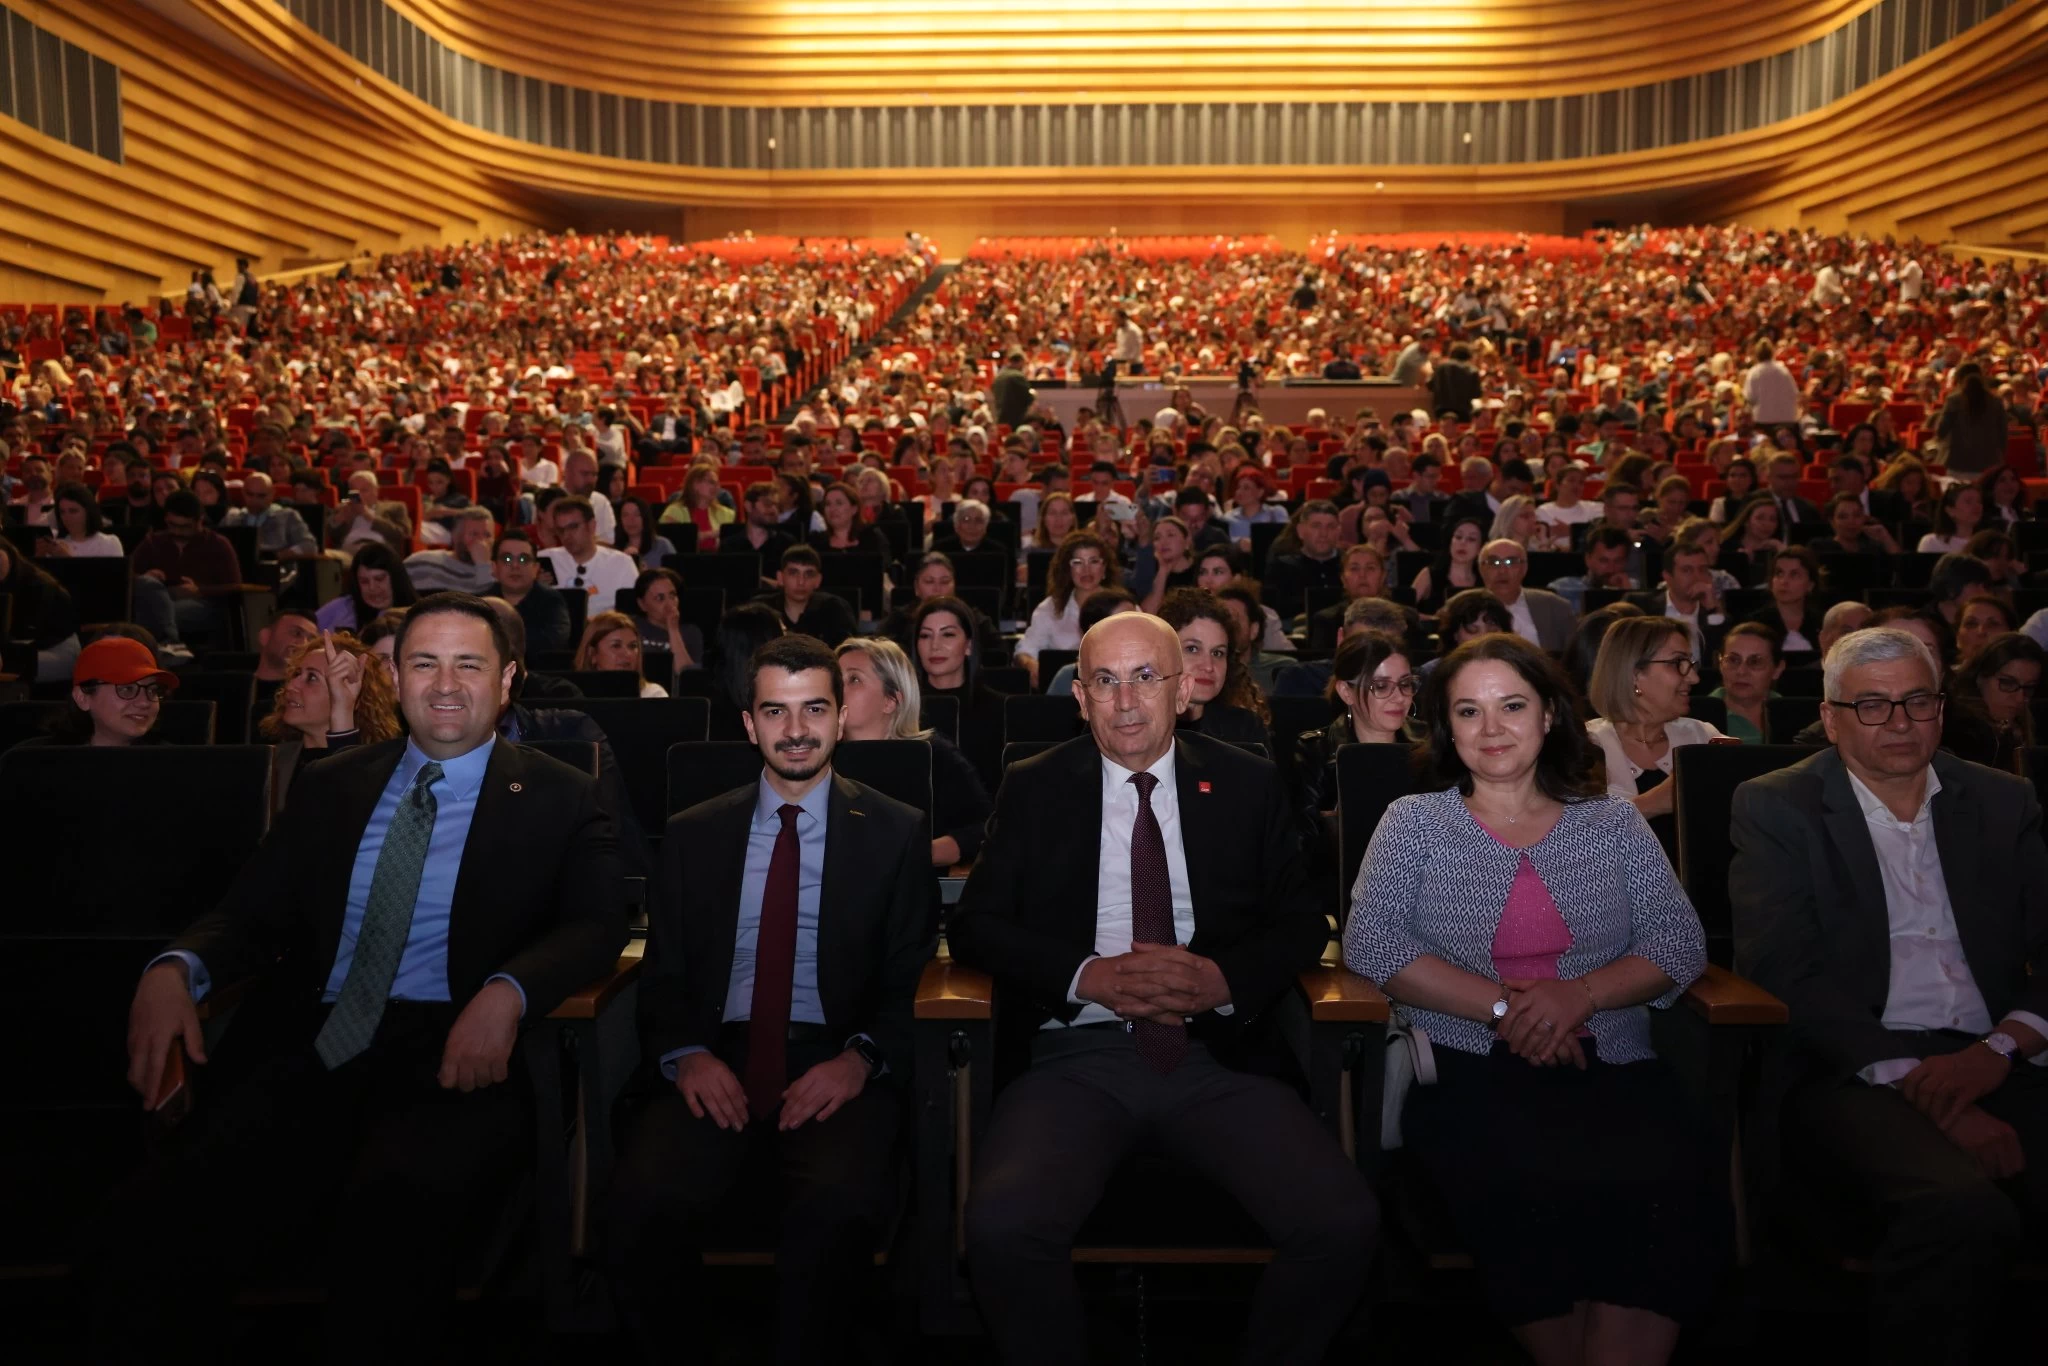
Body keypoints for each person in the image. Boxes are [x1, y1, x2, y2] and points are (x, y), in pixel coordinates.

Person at [96, 593, 629, 1360]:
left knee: (390, 1221)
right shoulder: (334, 783)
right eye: (423, 663)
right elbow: (250, 912)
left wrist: (508, 992)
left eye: (468, 664)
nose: (445, 683)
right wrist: (177, 969)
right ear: (397, 676)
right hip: (307, 1044)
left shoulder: (562, 793)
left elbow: (597, 924)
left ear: (507, 679)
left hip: (453, 1056)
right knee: (151, 1220)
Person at [951, 612, 1379, 1365]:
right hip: (1072, 1057)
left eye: (1146, 678)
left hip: (1214, 1056)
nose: (1125, 702)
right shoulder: (1035, 786)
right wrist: (1090, 977)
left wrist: (1221, 980)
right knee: (1002, 1229)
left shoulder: (1246, 781)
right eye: (1105, 682)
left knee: (1342, 1225)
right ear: (1079, 697)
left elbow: (1300, 918)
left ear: (1183, 691)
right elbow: (977, 924)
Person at [1346, 630, 1715, 1362]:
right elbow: (1374, 945)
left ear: (1550, 716)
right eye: (1468, 712)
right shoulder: (1414, 823)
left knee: (1662, 1186)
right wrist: (1504, 1009)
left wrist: (1578, 996)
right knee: (1521, 1181)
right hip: (1464, 1067)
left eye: (1512, 706)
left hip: (1614, 1064)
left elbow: (1679, 945)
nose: (1492, 729)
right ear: (1446, 729)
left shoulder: (1611, 820)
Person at [605, 634, 936, 1364]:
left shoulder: (895, 832)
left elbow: (908, 975)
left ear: (841, 715)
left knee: (836, 1210)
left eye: (814, 708)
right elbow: (662, 976)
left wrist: (861, 1062)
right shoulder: (693, 835)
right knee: (638, 1205)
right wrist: (685, 1057)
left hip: (836, 1058)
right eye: (775, 712)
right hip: (715, 1055)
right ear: (749, 724)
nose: (796, 731)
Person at [1729, 626, 2048, 1366]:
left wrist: (2000, 1048)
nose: (1900, 723)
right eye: (1872, 706)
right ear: (1833, 717)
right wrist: (1931, 1088)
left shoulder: (2002, 802)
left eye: (1916, 701)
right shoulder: (1779, 807)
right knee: (1958, 1209)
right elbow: (1786, 971)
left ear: (1942, 707)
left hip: (1999, 1055)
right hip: (1856, 1067)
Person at [836, 637, 991, 867]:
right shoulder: (818, 755)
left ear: (891, 700)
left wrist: (921, 854)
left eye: (854, 679)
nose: (838, 689)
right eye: (835, 680)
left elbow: (986, 827)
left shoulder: (934, 756)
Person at [1584, 615, 1728, 861]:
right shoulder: (1586, 747)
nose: (1694, 678)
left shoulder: (1704, 737)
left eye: (1690, 663)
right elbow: (1568, 841)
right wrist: (1652, 803)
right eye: (1677, 663)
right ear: (1634, 673)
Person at [258, 629, 402, 813]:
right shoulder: (273, 761)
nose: (292, 685)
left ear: (353, 697)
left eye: (311, 678)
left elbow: (350, 815)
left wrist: (342, 709)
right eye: (296, 674)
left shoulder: (379, 768)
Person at [913, 594, 1007, 793]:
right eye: (925, 635)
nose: (935, 645)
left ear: (969, 646)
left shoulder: (1000, 709)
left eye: (947, 634)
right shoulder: (903, 708)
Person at [132, 489, 244, 647]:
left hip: (203, 603)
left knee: (158, 614)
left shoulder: (217, 544)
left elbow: (234, 586)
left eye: (185, 527)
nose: (177, 531)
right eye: (172, 525)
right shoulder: (153, 542)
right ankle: (168, 645)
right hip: (160, 598)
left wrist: (199, 590)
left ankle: (164, 645)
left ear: (200, 520)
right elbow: (127, 576)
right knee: (148, 587)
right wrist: (146, 576)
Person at [1159, 588, 1269, 745]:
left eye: (1217, 653)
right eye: (1192, 649)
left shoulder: (1245, 729)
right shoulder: (1137, 729)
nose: (1208, 666)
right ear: (1163, 653)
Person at [27, 635, 178, 747]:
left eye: (152, 690)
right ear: (82, 698)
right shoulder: (37, 762)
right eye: (127, 689)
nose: (145, 702)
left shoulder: (175, 765)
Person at [1016, 529, 1116, 688]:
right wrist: (1030, 664)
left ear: (1104, 568)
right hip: (1063, 693)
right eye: (1078, 562)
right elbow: (1026, 650)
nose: (1086, 570)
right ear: (1067, 570)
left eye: (1094, 561)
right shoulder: (1050, 607)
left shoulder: (1123, 607)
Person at [1948, 632, 2044, 771]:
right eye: (2008, 683)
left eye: (2029, 688)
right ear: (1980, 677)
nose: (2020, 698)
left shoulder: (2028, 724)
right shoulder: (1959, 729)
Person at [1626, 541, 1727, 659]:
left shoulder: (1715, 610)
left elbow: (1719, 657)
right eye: (1687, 570)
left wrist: (1713, 610)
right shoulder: (1640, 606)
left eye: (1702, 570)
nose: (1697, 577)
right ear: (1667, 577)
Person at [543, 494, 640, 614]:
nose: (566, 536)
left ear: (592, 526)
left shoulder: (622, 564)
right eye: (561, 530)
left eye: (573, 527)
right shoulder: (545, 559)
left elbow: (633, 615)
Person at [1477, 537, 1577, 651]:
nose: (1502, 571)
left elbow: (1574, 659)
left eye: (1511, 562)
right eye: (1494, 562)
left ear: (1524, 568)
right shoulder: (1462, 608)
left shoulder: (1555, 607)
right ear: (1481, 568)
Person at [487, 529, 570, 657]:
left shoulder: (551, 601)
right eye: (507, 559)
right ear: (494, 567)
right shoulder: (483, 601)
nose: (515, 565)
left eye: (523, 559)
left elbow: (555, 641)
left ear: (535, 568)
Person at [1260, 499, 1345, 620]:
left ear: (1338, 531)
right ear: (1300, 531)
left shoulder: (1351, 565)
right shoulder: (1281, 568)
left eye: (1331, 527)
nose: (1324, 533)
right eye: (1316, 526)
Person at [756, 544, 855, 648]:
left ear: (818, 580)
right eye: (793, 573)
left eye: (809, 574)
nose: (801, 582)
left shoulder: (835, 609)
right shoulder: (762, 609)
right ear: (780, 577)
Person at [316, 541, 418, 633]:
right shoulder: (344, 605)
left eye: (379, 579)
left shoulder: (417, 615)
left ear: (396, 578)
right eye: (364, 581)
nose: (372, 587)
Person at [1710, 622, 1786, 743]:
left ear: (1777, 669)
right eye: (1733, 660)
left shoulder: (1792, 715)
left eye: (1755, 662)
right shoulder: (1699, 717)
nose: (1741, 671)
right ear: (1720, 664)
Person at [222, 471, 319, 560]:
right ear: (243, 492)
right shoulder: (232, 517)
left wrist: (279, 555)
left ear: (272, 494)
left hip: (277, 570)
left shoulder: (287, 516)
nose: (255, 500)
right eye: (250, 494)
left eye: (261, 496)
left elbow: (309, 546)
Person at [1743, 545, 1822, 656]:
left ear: (1810, 585)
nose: (1784, 581)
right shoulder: (1754, 625)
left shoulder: (1822, 624)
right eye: (1779, 573)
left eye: (1794, 575)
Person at [1935, 362, 2009, 477]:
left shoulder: (1953, 400)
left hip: (1956, 463)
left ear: (1959, 380)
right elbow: (2003, 436)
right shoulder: (1995, 401)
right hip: (1989, 464)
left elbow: (1941, 431)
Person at [633, 566, 703, 685]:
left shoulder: (691, 632)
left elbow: (686, 677)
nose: (670, 604)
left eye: (672, 596)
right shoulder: (632, 627)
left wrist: (673, 629)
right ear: (642, 604)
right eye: (660, 598)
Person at [404, 506, 498, 594]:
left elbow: (490, 606)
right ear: (455, 536)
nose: (481, 542)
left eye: (487, 535)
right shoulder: (421, 561)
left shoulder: (499, 574)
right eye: (473, 534)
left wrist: (483, 566)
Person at [1546, 524, 1638, 614]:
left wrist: (1627, 593)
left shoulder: (1635, 588)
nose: (1611, 568)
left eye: (1618, 561)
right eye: (1604, 561)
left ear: (1626, 561)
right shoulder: (1562, 588)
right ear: (1588, 559)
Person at [576, 609, 668, 697]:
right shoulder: (573, 694)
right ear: (592, 654)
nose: (628, 654)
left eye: (632, 646)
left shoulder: (653, 694)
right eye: (616, 646)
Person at [1410, 516, 1485, 616]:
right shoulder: (1430, 574)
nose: (1462, 543)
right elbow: (1404, 610)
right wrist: (1432, 619)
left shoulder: (1485, 578)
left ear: (1481, 548)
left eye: (1471, 539)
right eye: (1458, 537)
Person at [36, 481, 123, 558]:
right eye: (62, 512)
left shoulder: (109, 543)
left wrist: (67, 558)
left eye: (73, 511)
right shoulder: (55, 545)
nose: (67, 517)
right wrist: (39, 557)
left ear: (88, 511)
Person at [1920, 484, 1987, 556]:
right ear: (1950, 510)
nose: (1976, 506)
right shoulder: (1932, 542)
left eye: (1979, 501)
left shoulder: (1986, 544)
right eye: (1968, 501)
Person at [1744, 340, 1801, 425]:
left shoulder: (1754, 372)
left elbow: (1750, 398)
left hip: (1763, 421)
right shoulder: (1784, 370)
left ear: (1757, 355)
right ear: (1772, 353)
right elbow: (1794, 393)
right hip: (1787, 420)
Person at [1953, 595, 2016, 664]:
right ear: (1958, 637)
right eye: (1971, 624)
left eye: (1992, 624)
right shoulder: (1944, 674)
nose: (1981, 632)